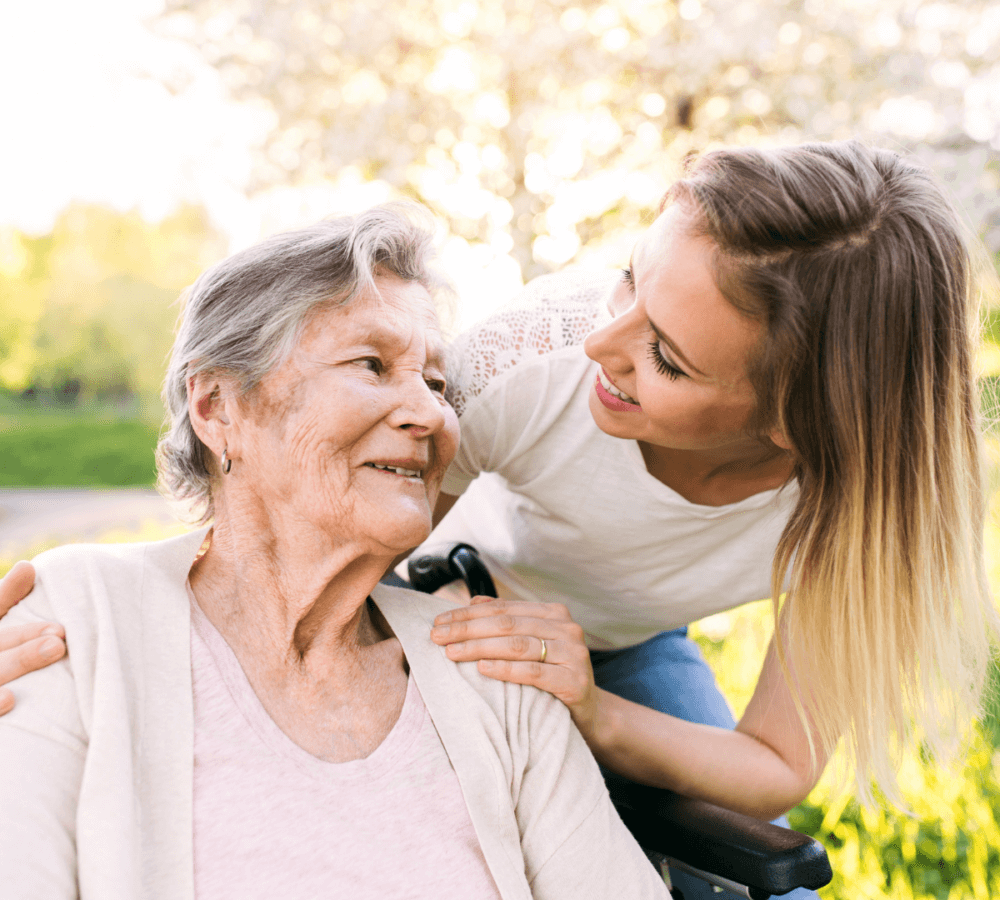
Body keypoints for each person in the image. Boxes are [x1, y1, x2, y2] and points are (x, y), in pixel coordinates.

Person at [1, 141, 995, 898]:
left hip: (611, 643)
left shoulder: (864, 505)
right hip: (458, 588)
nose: (601, 340)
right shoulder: (532, 361)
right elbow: (312, 518)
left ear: (797, 423)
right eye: (627, 276)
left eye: (669, 359)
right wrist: (106, 617)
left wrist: (586, 709)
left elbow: (772, 765)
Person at [0, 205, 668, 899]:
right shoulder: (77, 622)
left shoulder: (487, 670)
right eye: (373, 365)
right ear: (219, 408)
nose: (431, 414)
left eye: (437, 384)